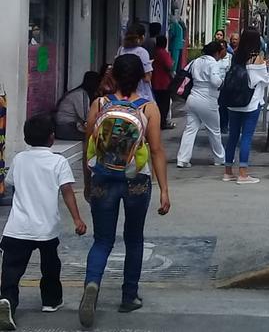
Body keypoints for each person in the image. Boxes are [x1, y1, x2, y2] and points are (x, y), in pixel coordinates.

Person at [79, 54, 170, 329]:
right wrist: (164, 189)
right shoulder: (149, 108)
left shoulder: (100, 104)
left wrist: (87, 181)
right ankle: (129, 296)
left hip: (103, 179)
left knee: (102, 240)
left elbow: (88, 148)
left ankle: (92, 284)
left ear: (114, 76)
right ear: (142, 76)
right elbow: (156, 151)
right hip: (136, 181)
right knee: (134, 239)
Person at [0, 115, 86, 330]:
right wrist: (77, 219)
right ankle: (50, 300)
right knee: (50, 266)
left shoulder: (19, 159)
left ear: (26, 138)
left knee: (11, 269)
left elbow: (10, 183)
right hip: (46, 228)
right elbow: (67, 192)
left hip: (17, 228)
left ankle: (7, 301)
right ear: (52, 138)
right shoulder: (58, 161)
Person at [223, 29, 269, 185]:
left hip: (233, 103)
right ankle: (243, 173)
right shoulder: (257, 58)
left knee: (233, 137)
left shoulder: (236, 56)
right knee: (247, 137)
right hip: (250, 103)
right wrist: (264, 66)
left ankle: (227, 171)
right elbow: (264, 80)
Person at [176, 42, 226, 168]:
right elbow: (215, 82)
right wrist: (222, 82)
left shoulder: (196, 61)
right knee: (214, 130)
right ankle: (220, 158)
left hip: (192, 98)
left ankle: (182, 159)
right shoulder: (213, 63)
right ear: (216, 52)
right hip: (207, 99)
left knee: (190, 129)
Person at [54, 71, 100, 141]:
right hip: (66, 128)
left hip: (62, 127)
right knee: (95, 137)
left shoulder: (77, 92)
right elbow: (86, 117)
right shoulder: (81, 94)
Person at [115, 23, 153, 103]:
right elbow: (147, 78)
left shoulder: (121, 50)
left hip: (121, 94)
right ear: (142, 37)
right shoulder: (142, 52)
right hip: (140, 95)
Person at [151, 36, 174, 130]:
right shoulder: (164, 53)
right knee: (165, 105)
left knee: (158, 103)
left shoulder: (154, 52)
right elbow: (169, 66)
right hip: (164, 82)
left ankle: (158, 121)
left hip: (155, 81)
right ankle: (163, 122)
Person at [216, 39, 232, 134]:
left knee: (224, 107)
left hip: (226, 87)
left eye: (222, 48)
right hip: (215, 86)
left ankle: (224, 125)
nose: (220, 51)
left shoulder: (230, 58)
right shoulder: (214, 59)